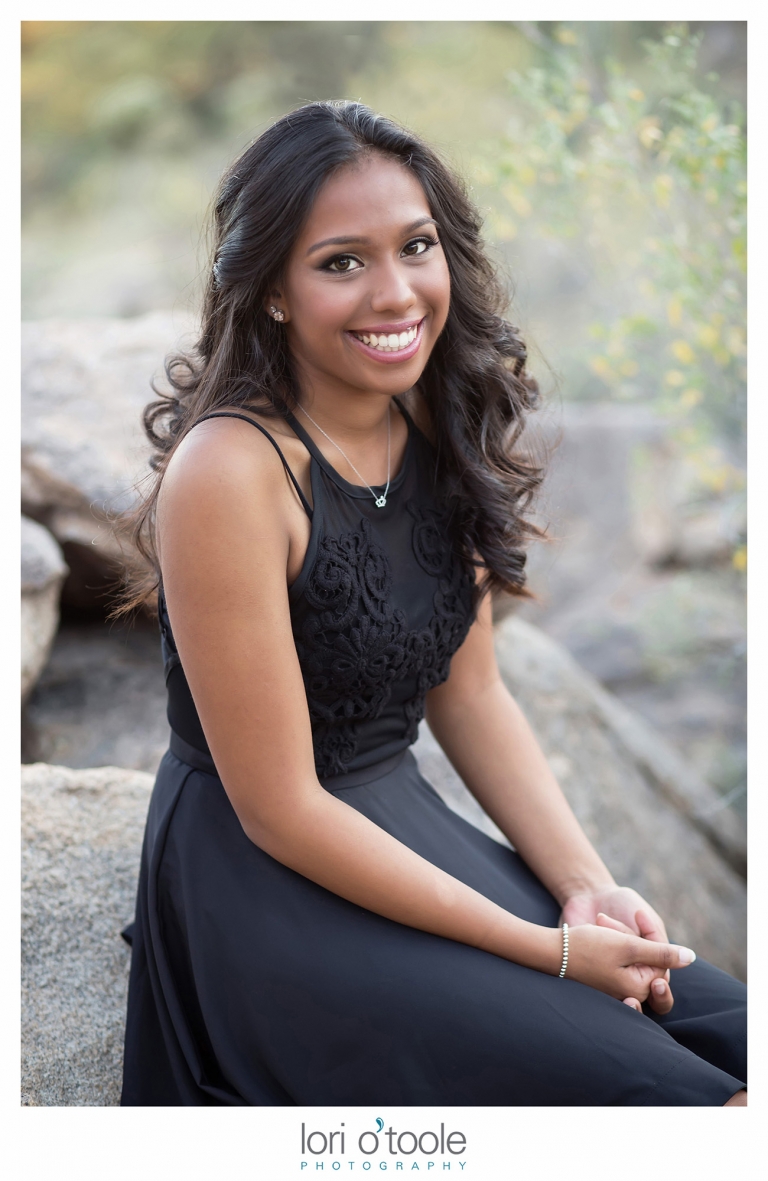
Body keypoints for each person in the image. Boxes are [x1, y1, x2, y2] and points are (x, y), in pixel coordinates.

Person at [119, 101, 746, 1106]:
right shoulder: (229, 471)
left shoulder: (437, 420)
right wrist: (545, 949)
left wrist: (584, 885)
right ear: (271, 290)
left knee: (734, 1034)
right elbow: (279, 809)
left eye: (416, 246)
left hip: (408, 834)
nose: (395, 291)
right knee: (696, 1109)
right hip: (267, 885)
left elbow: (473, 694)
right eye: (340, 262)